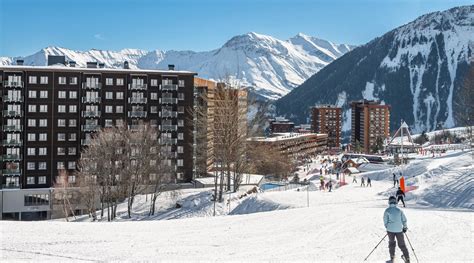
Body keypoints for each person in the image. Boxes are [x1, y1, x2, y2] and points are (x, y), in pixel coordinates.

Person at [384, 196, 410, 262]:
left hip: (390, 230)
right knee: (402, 244)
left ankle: (392, 257)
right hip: (399, 230)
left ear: (389, 202)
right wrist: (404, 227)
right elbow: (404, 220)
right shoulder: (399, 210)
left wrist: (388, 227)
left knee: (391, 243)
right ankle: (407, 258)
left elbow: (385, 221)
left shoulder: (387, 210)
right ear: (395, 202)